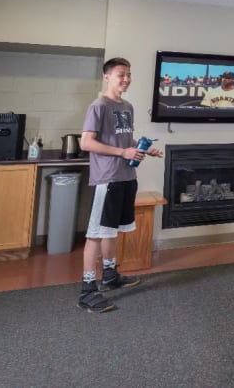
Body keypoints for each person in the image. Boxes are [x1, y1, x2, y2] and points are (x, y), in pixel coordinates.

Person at [78, 57, 164, 313]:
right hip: (107, 179)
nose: (126, 79)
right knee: (95, 233)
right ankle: (87, 290)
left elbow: (124, 139)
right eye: (120, 75)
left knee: (111, 230)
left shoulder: (127, 106)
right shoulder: (98, 106)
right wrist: (122, 153)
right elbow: (86, 143)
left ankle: (110, 275)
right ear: (107, 77)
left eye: (128, 74)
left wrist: (142, 149)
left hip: (127, 177)